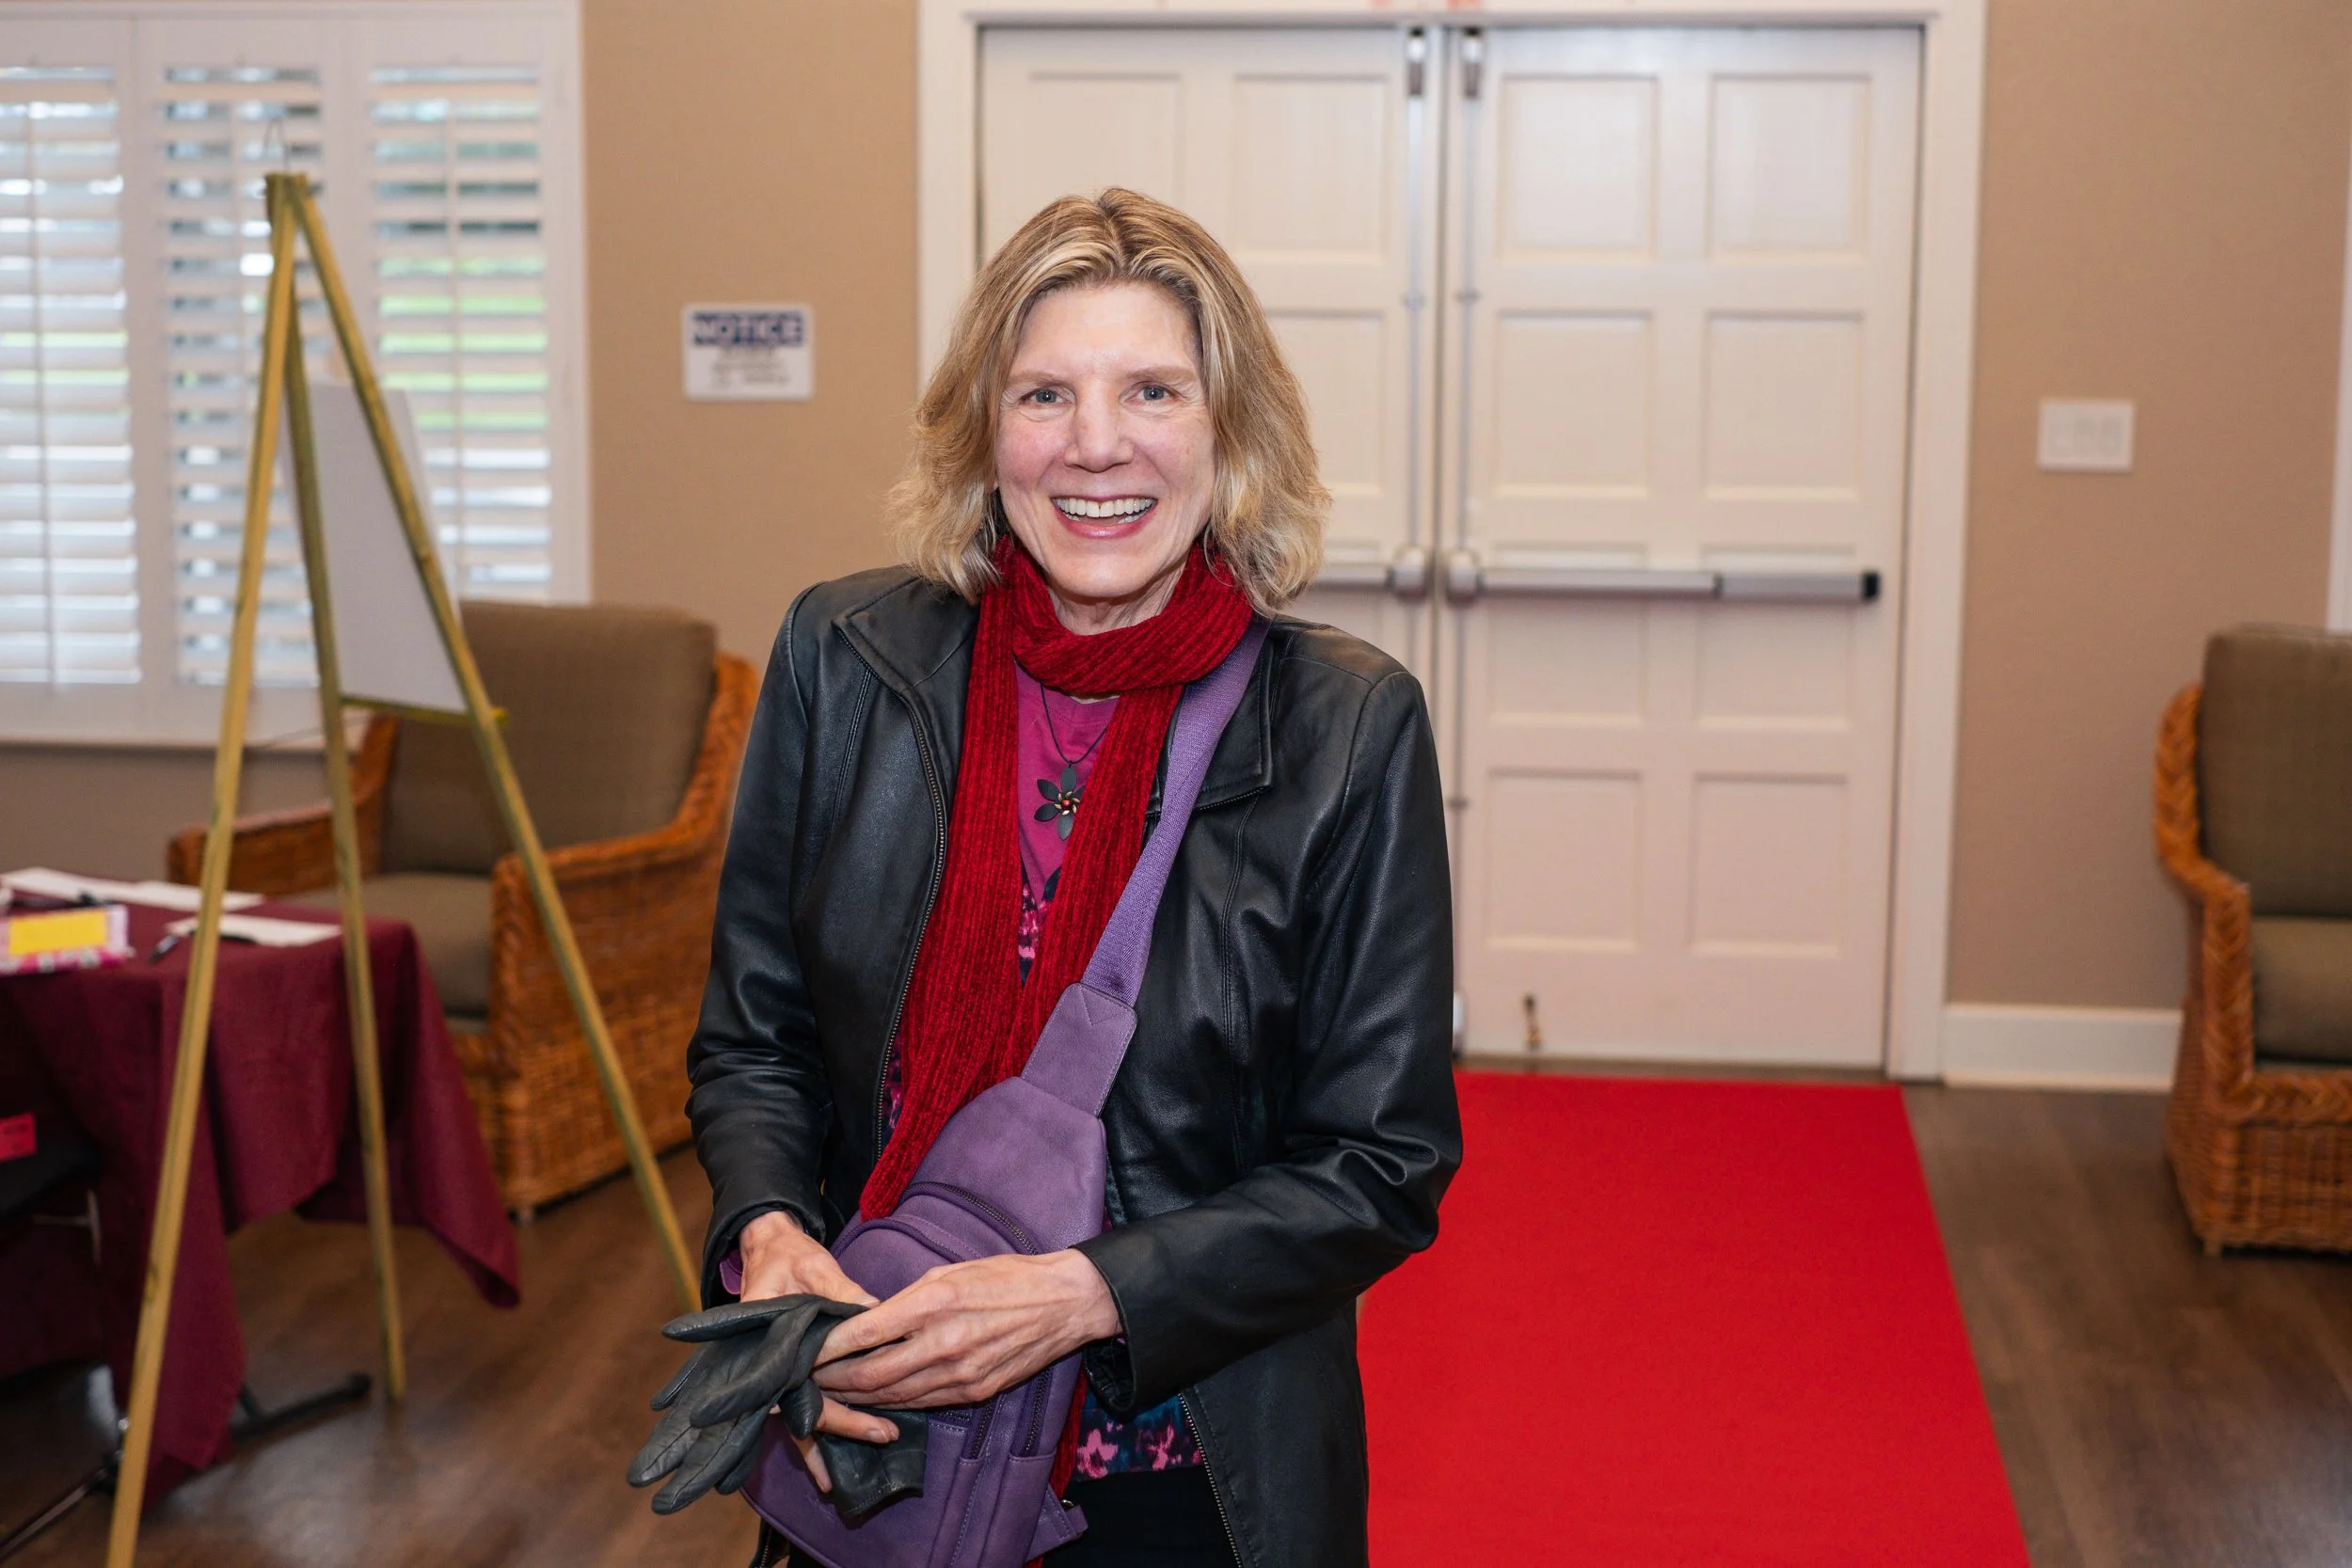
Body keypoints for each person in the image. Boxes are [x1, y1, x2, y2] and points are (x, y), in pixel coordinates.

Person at [686, 187, 1461, 1568]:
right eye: (1045, 393)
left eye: (1153, 389)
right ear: (986, 435)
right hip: (864, 1428)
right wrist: (769, 1235)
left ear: (1231, 435)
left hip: (1173, 1472)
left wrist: (1088, 1293)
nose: (1096, 445)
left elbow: (1379, 1162)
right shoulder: (845, 657)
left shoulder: (1346, 728)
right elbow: (758, 1037)